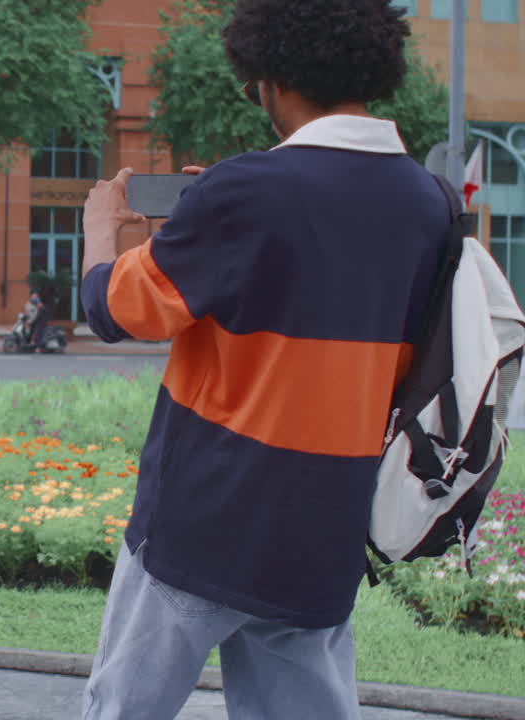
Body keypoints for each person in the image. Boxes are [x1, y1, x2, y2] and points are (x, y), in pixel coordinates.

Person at [77, 2, 445, 718]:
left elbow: (115, 310)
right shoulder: (427, 202)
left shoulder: (245, 190)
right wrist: (230, 199)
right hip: (326, 526)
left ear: (269, 79)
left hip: (204, 521)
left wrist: (99, 231)